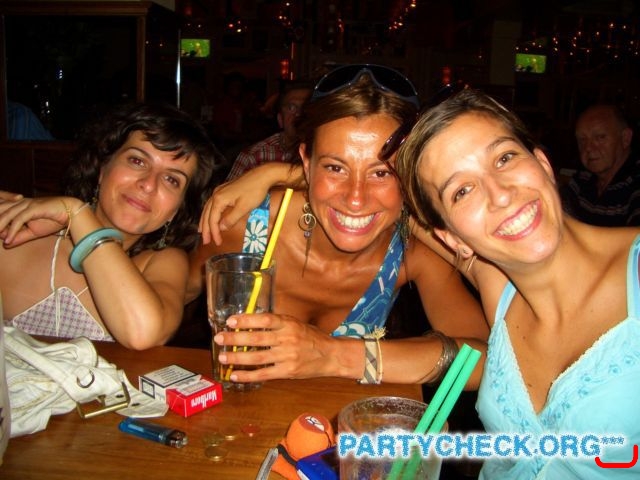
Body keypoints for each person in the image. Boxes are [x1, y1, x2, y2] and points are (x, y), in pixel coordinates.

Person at [190, 65, 488, 386]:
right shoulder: (249, 224)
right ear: (306, 162)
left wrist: (334, 355)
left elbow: (487, 363)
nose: (355, 199)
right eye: (335, 168)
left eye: (381, 173)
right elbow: (174, 293)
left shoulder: (411, 251)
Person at [395, 88, 640, 479]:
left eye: (504, 158)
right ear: (453, 240)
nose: (501, 195)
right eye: (462, 191)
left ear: (542, 163)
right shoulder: (501, 292)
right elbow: (392, 204)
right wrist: (297, 173)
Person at [0, 102, 221, 350]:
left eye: (172, 179)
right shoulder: (19, 234)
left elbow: (143, 332)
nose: (149, 184)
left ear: (177, 209)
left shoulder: (162, 263)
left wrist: (77, 213)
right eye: (137, 161)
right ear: (102, 168)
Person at [561, 103, 640, 226]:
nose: (588, 148)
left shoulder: (635, 182)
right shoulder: (583, 179)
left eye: (600, 137)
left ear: (625, 138)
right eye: (582, 140)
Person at [225, 79, 312, 181]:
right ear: (280, 119)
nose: (299, 114)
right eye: (291, 108)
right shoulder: (254, 157)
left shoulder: (324, 155)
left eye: (306, 107)